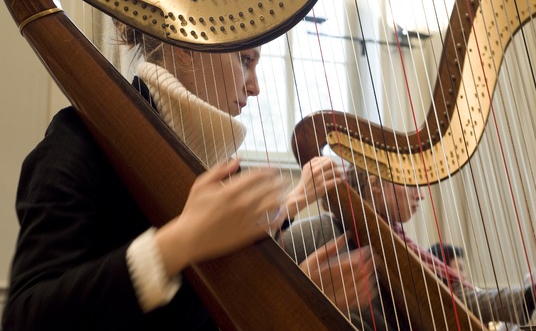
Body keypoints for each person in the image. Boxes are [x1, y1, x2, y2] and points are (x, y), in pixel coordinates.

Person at [1, 25, 346, 330]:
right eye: (245, 61)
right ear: (185, 48)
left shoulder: (220, 165)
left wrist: (284, 303)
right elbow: (25, 317)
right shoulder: (81, 139)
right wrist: (177, 242)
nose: (255, 87)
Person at [278, 167, 536, 330]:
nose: (420, 195)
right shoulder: (320, 232)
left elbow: (452, 301)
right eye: (409, 184)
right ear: (376, 184)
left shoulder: (400, 246)